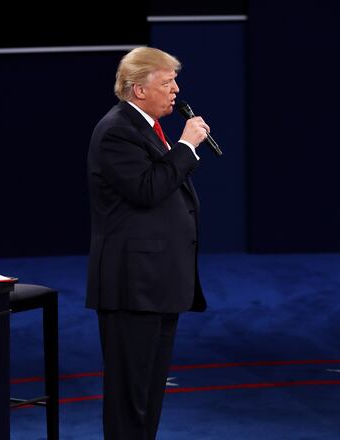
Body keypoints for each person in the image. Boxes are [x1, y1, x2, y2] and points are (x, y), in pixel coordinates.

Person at [86, 46, 210, 440]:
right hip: (132, 286)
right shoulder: (116, 131)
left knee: (149, 393)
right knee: (130, 396)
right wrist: (186, 147)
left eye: (175, 80)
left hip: (156, 284)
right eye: (167, 82)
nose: (176, 89)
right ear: (139, 89)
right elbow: (146, 189)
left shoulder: (144, 128)